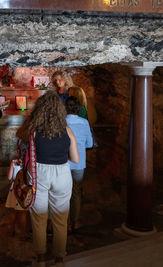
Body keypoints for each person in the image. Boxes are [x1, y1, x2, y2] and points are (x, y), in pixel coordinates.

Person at [26, 90, 79, 267]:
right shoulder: (67, 130)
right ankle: (59, 259)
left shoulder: (34, 131)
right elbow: (76, 159)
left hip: (40, 173)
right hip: (62, 173)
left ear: (40, 109)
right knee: (60, 219)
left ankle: (40, 259)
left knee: (39, 219)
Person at [65, 96, 93, 233]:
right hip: (79, 163)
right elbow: (90, 143)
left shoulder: (61, 122)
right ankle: (74, 222)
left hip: (63, 163)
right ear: (78, 109)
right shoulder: (84, 122)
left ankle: (64, 223)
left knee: (63, 193)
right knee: (76, 193)